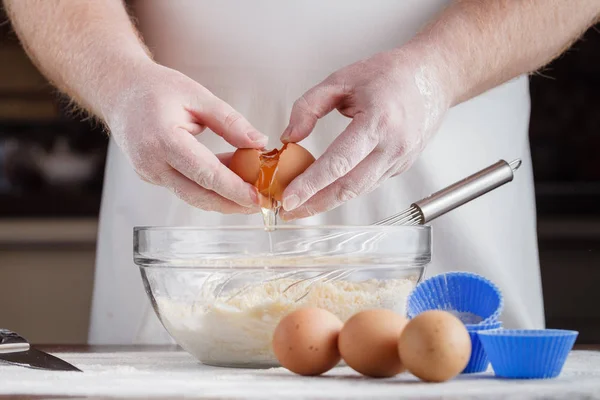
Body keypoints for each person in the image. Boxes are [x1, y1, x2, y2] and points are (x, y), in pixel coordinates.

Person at [4, 0, 599, 344]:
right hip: (177, 225)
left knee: (446, 354)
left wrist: (439, 70)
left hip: (446, 188)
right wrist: (118, 81)